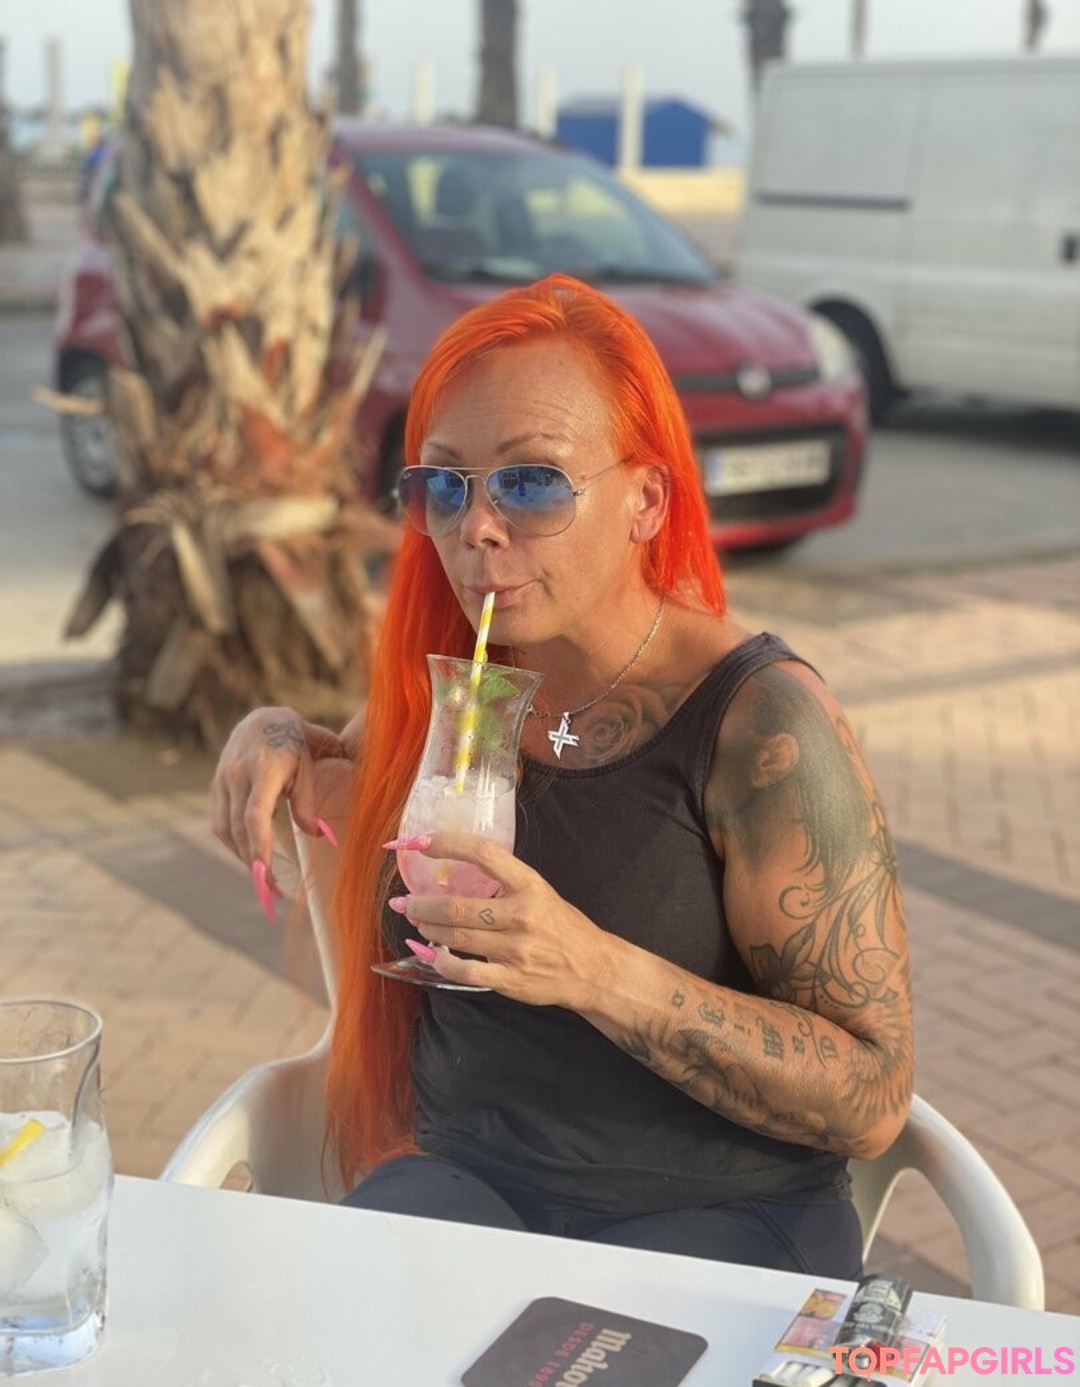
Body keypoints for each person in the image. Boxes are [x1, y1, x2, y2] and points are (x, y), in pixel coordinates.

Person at [212, 273, 913, 1278]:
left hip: (721, 1216)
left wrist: (591, 968)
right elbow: (329, 791)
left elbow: (873, 1095)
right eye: (445, 485)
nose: (475, 527)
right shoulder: (457, 690)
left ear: (645, 500)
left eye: (531, 482)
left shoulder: (763, 725)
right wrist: (272, 731)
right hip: (466, 1187)